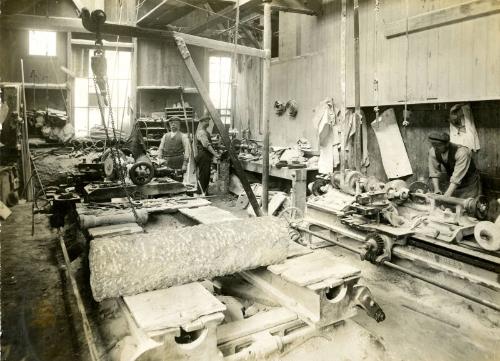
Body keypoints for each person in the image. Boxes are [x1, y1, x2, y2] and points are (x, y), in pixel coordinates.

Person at [428, 131, 481, 198]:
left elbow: (456, 177)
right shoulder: (433, 151)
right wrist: (436, 190)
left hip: (469, 185)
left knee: (467, 205)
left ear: (447, 144)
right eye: (433, 145)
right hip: (454, 184)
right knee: (450, 206)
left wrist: (446, 195)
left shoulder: (461, 152)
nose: (435, 148)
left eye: (438, 145)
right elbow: (434, 172)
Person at [195, 115, 219, 194]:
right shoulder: (202, 132)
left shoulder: (206, 132)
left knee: (206, 174)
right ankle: (201, 192)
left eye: (208, 121)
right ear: (201, 122)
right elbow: (206, 145)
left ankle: (204, 191)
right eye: (205, 121)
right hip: (203, 155)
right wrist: (216, 154)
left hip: (206, 155)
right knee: (204, 175)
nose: (207, 122)